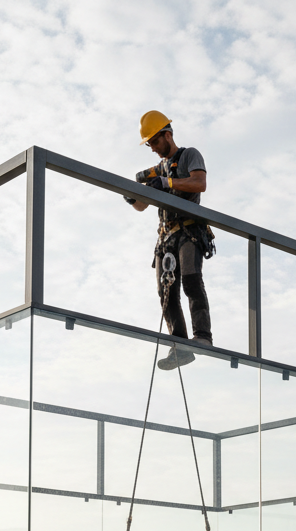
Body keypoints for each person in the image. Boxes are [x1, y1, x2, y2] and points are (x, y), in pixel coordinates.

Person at [127, 110, 215, 372]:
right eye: (149, 144)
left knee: (191, 279)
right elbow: (142, 206)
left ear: (167, 135)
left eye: (155, 142)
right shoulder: (158, 171)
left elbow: (199, 183)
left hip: (188, 230)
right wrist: (133, 197)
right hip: (166, 236)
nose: (153, 148)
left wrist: (167, 182)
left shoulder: (189, 155)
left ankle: (202, 336)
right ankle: (179, 346)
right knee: (166, 292)